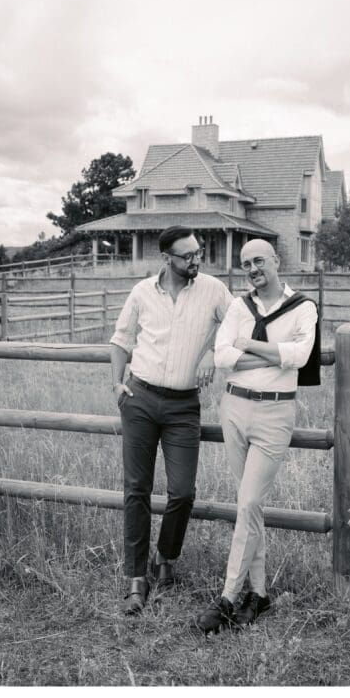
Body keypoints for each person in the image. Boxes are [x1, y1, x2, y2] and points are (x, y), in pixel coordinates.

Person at [194, 239, 318, 634]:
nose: (252, 268)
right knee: (250, 508)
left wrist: (246, 344)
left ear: (277, 261)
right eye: (246, 263)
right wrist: (269, 352)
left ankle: (228, 597)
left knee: (247, 503)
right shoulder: (238, 306)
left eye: (259, 260)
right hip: (234, 408)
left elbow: (299, 358)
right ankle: (259, 594)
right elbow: (221, 356)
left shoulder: (303, 307)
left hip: (274, 412)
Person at [111, 226, 233, 615]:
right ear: (166, 259)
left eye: (199, 252)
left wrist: (215, 351)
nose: (196, 259)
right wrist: (116, 384)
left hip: (183, 406)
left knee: (183, 491)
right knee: (136, 490)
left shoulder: (214, 290)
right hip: (141, 398)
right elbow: (121, 339)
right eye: (187, 255)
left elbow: (239, 326)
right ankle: (136, 579)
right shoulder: (142, 292)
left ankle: (165, 556)